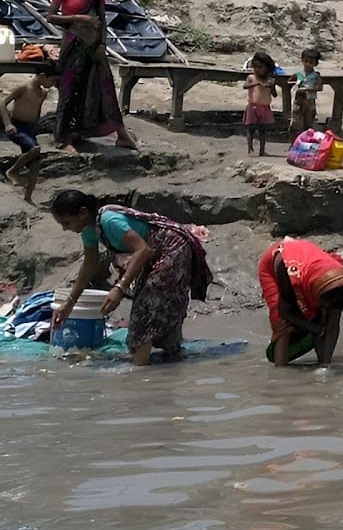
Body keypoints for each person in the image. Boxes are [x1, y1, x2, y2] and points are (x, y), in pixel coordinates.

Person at [49, 189, 208, 367]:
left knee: (147, 307)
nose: (65, 228)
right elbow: (89, 264)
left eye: (67, 222)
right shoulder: (88, 229)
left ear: (83, 212)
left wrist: (119, 288)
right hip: (154, 254)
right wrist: (69, 303)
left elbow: (143, 250)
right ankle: (170, 359)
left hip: (173, 248)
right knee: (151, 303)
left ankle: (140, 370)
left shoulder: (109, 220)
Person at [47, 0, 136, 151]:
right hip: (73, 45)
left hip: (94, 47)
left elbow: (102, 21)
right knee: (69, 90)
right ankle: (64, 137)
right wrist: (79, 18)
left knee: (104, 89)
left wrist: (103, 45)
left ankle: (121, 134)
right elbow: (51, 16)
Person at [257, 238, 343, 366]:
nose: (329, 304)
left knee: (323, 315)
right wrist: (314, 329)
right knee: (280, 322)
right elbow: (285, 312)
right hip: (275, 264)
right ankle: (280, 371)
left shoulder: (341, 282)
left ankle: (324, 361)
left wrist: (325, 366)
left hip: (316, 271)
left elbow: (333, 323)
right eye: (327, 300)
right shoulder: (286, 270)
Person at [3, 65, 57, 203]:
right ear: (43, 76)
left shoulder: (42, 93)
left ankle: (28, 197)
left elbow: (37, 110)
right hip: (17, 127)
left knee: (35, 164)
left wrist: (36, 126)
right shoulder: (24, 87)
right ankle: (12, 171)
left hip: (30, 129)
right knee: (35, 149)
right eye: (52, 80)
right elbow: (2, 103)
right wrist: (8, 123)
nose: (52, 85)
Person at [242, 51, 276, 156]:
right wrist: (257, 83)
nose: (257, 70)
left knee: (263, 130)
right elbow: (245, 86)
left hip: (265, 107)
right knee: (250, 128)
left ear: (267, 68)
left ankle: (262, 150)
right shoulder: (252, 78)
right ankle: (249, 147)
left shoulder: (270, 80)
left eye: (260, 67)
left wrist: (271, 87)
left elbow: (274, 94)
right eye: (255, 67)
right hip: (253, 106)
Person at [290, 49, 321, 134]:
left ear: (315, 64)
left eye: (311, 62)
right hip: (299, 100)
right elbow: (289, 81)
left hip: (309, 101)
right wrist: (294, 82)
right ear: (302, 60)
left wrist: (308, 89)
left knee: (308, 122)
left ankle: (307, 140)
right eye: (306, 61)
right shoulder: (298, 74)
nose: (308, 64)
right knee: (296, 122)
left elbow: (319, 87)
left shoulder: (316, 75)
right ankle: (295, 141)